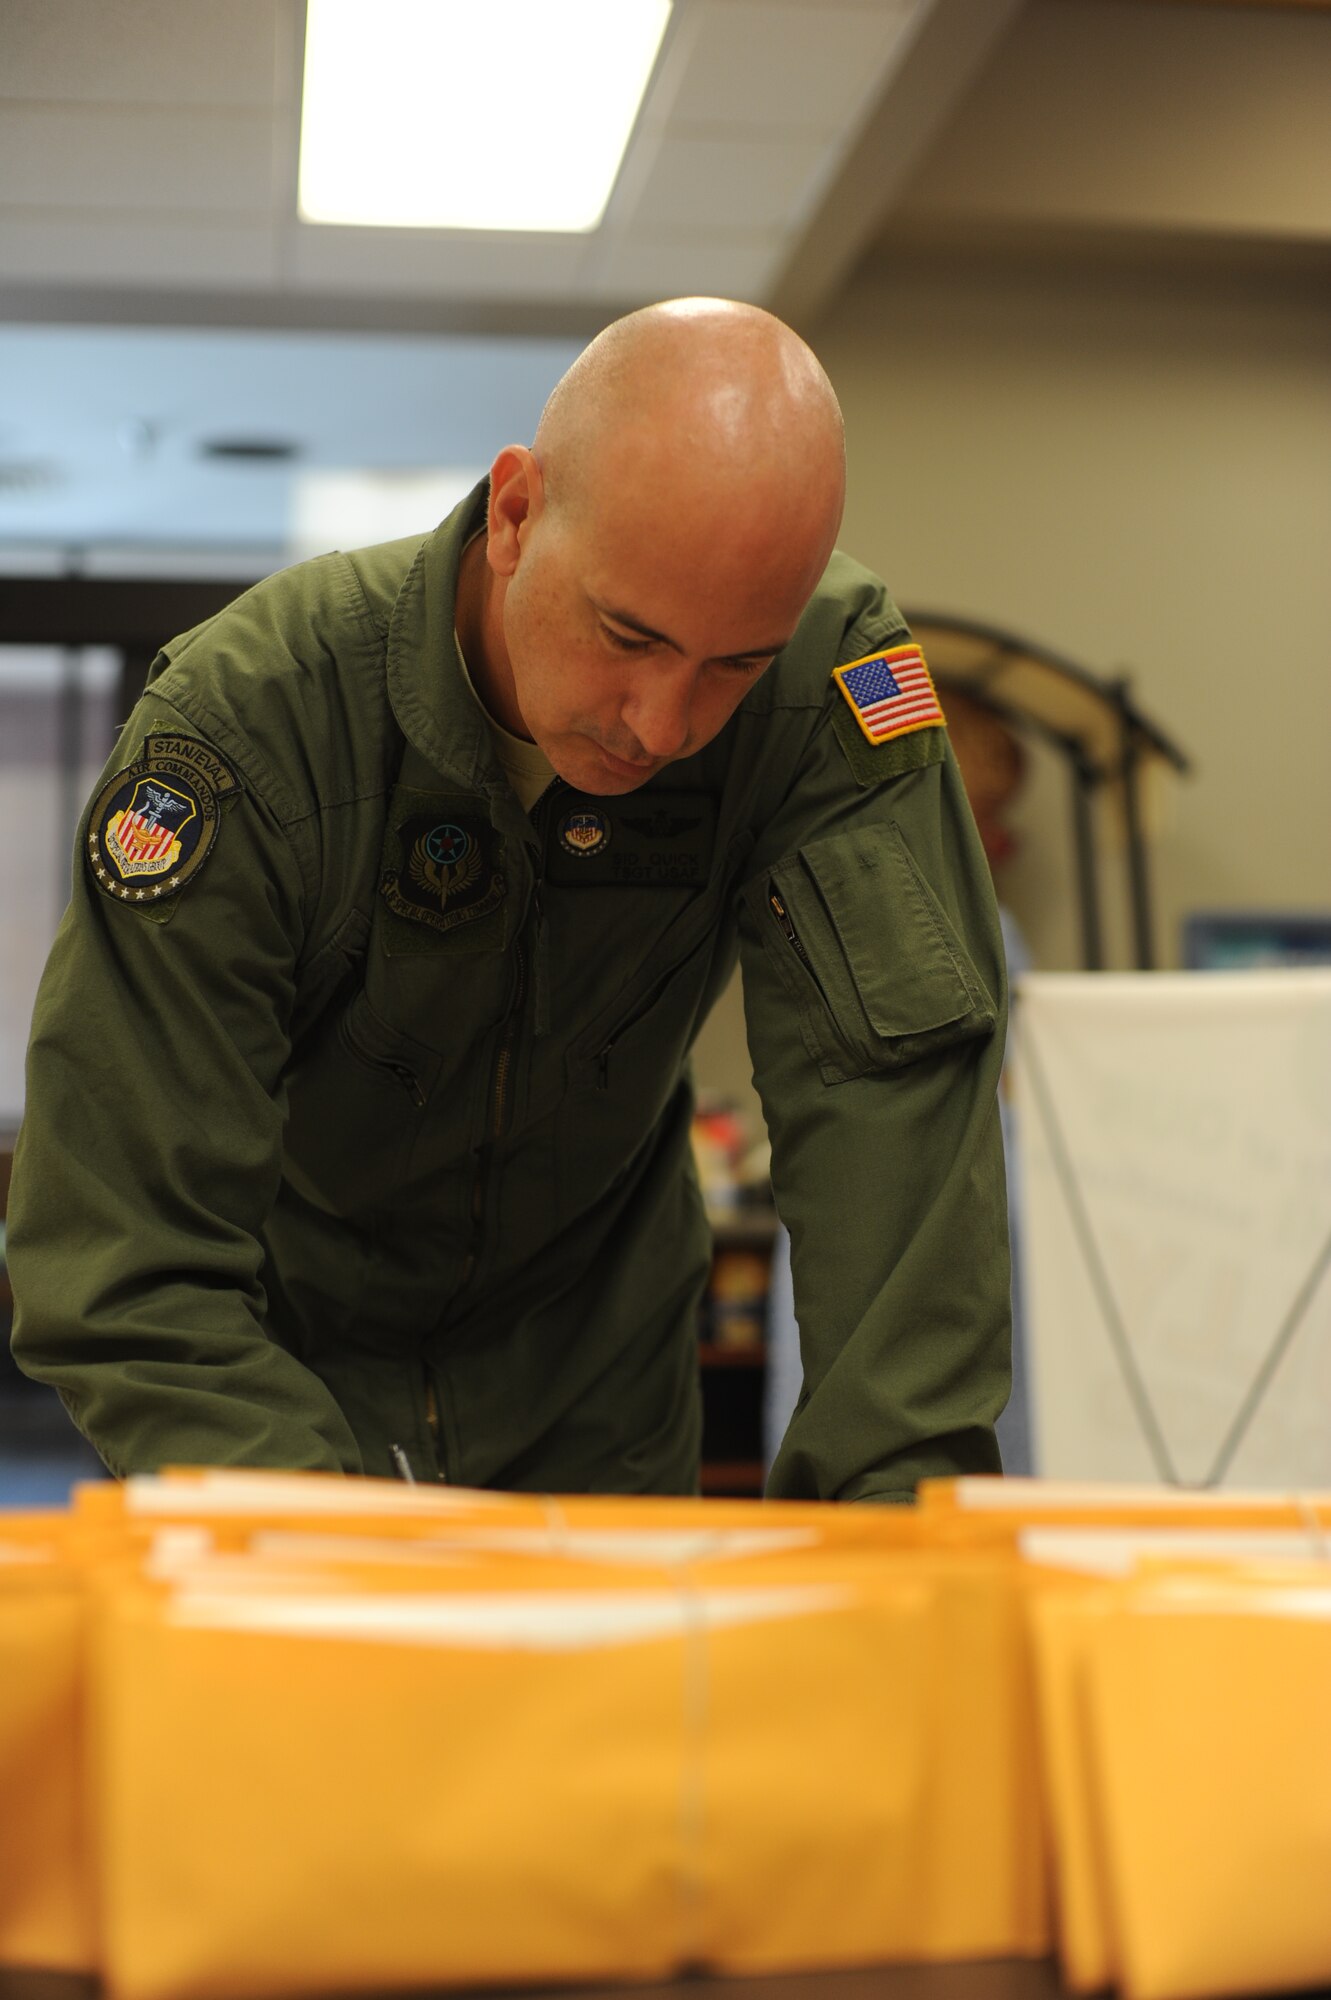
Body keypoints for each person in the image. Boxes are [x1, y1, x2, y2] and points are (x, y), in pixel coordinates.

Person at [8, 298, 1011, 1502]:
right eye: (626, 634)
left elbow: (892, 1120)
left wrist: (895, 1556)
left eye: (732, 664)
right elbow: (125, 1256)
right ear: (517, 511)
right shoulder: (250, 722)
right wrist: (328, 1540)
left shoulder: (827, 678)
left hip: (600, 1396)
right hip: (269, 1381)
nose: (664, 724)